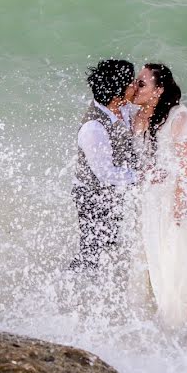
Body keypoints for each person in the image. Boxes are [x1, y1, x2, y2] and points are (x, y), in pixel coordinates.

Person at [129, 63, 187, 326]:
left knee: (176, 248)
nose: (136, 87)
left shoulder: (180, 118)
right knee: (151, 245)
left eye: (142, 83)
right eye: (136, 82)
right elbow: (142, 162)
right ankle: (152, 302)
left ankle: (177, 313)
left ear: (159, 90)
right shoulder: (138, 117)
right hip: (154, 192)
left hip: (182, 192)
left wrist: (180, 203)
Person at [70, 59, 141, 272]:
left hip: (113, 189)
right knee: (92, 248)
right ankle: (79, 282)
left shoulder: (121, 107)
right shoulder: (93, 128)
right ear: (117, 94)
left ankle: (106, 275)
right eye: (131, 83)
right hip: (90, 193)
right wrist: (141, 176)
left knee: (110, 237)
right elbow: (106, 174)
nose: (135, 85)